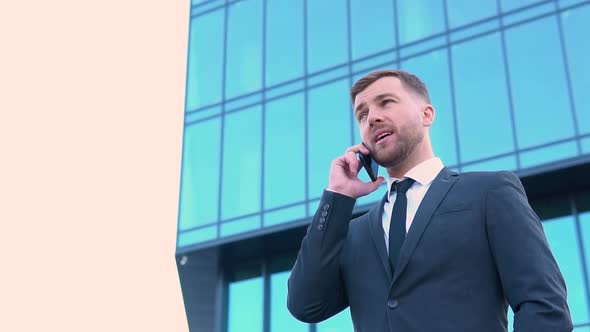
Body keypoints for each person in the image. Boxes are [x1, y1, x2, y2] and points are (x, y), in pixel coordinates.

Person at [287, 69, 573, 331]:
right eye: (362, 115)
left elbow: (544, 305)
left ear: (427, 115)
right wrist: (336, 198)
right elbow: (305, 305)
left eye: (386, 102)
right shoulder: (354, 233)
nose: (371, 117)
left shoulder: (489, 192)